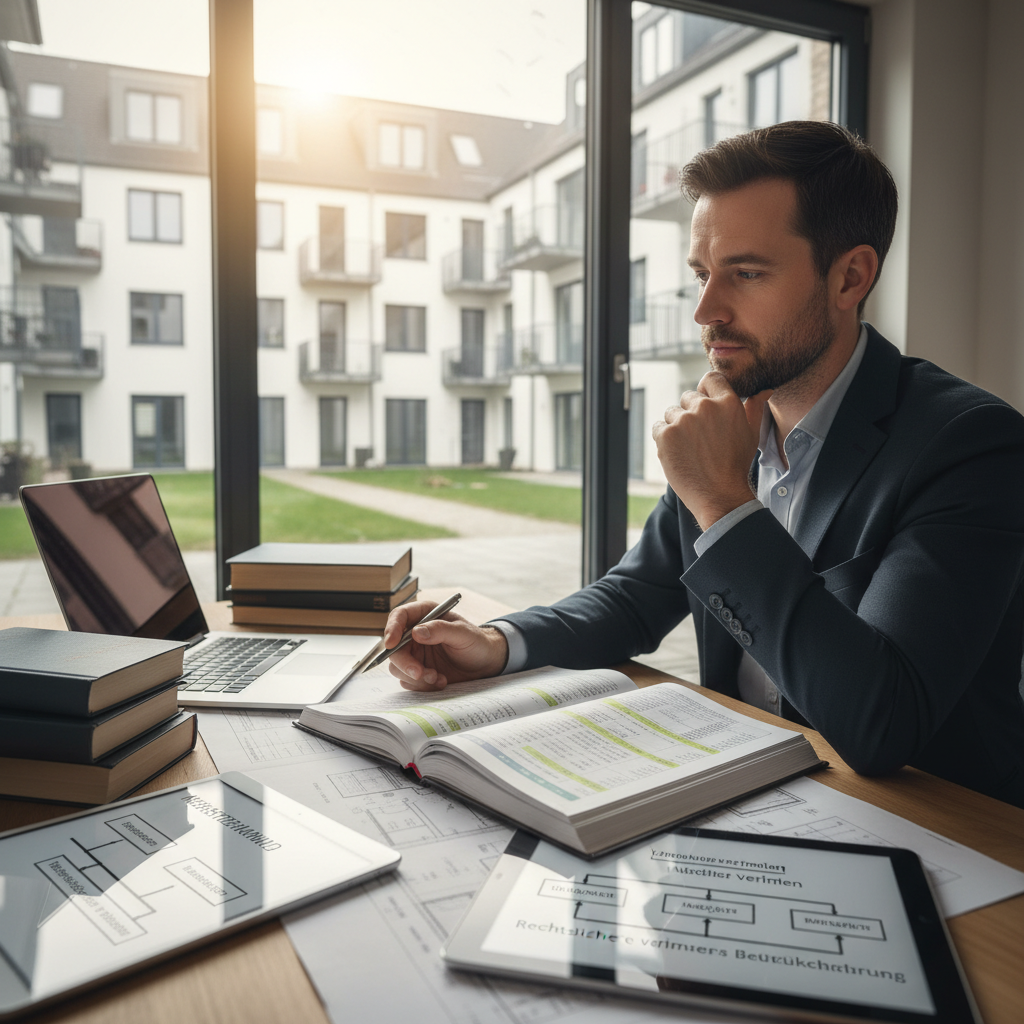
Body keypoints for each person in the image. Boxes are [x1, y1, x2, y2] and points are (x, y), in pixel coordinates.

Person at [383, 121, 1024, 808]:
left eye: (746, 273)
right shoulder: (730, 419)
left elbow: (882, 723)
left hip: (938, 823)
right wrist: (497, 642)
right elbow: (634, 597)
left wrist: (723, 500)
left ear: (850, 277)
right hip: (756, 786)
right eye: (701, 274)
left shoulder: (971, 445)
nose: (705, 311)